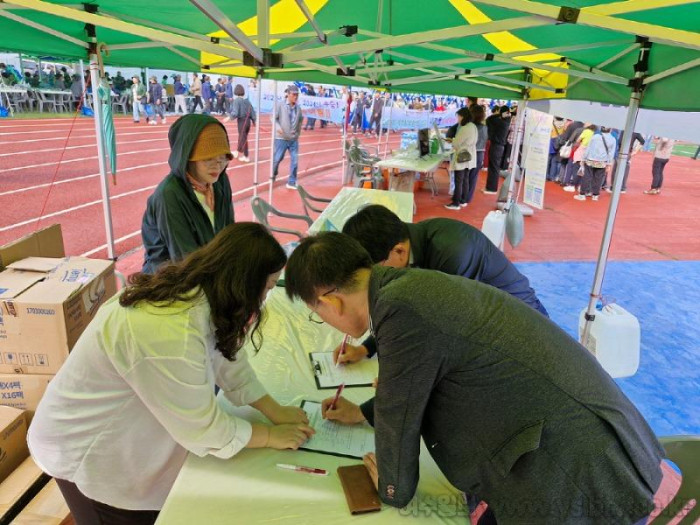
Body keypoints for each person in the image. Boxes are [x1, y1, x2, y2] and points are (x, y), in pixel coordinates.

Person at [284, 231, 668, 525]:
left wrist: (391, 486)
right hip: (578, 448)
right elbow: (420, 378)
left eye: (319, 314)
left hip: (578, 475)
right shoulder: (409, 288)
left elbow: (399, 413)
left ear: (329, 302)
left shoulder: (401, 308)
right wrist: (365, 413)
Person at [28, 222, 314, 525]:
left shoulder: (201, 296)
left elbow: (227, 358)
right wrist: (269, 435)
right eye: (267, 288)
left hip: (121, 434)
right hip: (86, 451)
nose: (265, 299)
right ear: (243, 283)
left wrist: (274, 410)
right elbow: (203, 429)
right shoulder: (168, 330)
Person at [338, 203, 549, 366]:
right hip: (489, 323)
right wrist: (366, 349)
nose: (377, 280)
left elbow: (448, 336)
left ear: (399, 251)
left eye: (376, 271)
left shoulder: (452, 253)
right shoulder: (408, 245)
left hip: (525, 331)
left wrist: (398, 379)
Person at [141, 114, 235, 273]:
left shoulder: (219, 182)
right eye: (208, 159)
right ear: (186, 158)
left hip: (210, 269)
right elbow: (185, 260)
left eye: (223, 158)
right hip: (170, 281)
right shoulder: (169, 196)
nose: (217, 166)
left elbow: (229, 233)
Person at [445, 107, 477, 210]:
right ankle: (463, 200)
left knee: (459, 180)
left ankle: (456, 203)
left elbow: (456, 143)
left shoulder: (465, 128)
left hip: (462, 156)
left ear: (462, 116)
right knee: (465, 179)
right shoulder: (472, 126)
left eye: (458, 116)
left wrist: (452, 141)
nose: (457, 119)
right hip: (469, 156)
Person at [272, 84, 303, 190]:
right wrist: (278, 127)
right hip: (281, 138)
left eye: (297, 95)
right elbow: (273, 118)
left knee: (295, 160)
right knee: (277, 159)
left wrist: (297, 134)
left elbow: (300, 121)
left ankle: (291, 181)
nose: (295, 97)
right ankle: (273, 173)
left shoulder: (298, 108)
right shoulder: (280, 105)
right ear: (288, 94)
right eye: (294, 94)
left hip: (293, 139)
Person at [575, 126, 616, 201]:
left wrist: (583, 158)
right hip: (602, 161)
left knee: (587, 177)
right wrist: (609, 164)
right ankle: (595, 195)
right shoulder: (613, 139)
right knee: (598, 178)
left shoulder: (595, 137)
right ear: (610, 129)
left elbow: (588, 148)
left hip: (591, 159)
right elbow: (611, 153)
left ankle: (582, 194)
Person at [484, 105, 511, 194]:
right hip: (498, 146)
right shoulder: (505, 121)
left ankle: (492, 189)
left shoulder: (501, 122)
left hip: (497, 146)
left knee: (494, 167)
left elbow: (488, 119)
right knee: (493, 167)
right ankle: (489, 188)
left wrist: (498, 114)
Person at [227, 84, 256, 163]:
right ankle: (237, 152)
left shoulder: (236, 101)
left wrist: (229, 118)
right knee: (242, 137)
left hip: (242, 122)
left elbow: (235, 113)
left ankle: (246, 156)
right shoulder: (247, 101)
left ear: (236, 92)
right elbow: (253, 113)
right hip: (248, 122)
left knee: (243, 139)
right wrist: (254, 121)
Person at [467, 104, 488, 204]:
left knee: (465, 175)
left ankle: (462, 197)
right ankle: (468, 197)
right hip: (480, 153)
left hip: (470, 152)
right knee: (473, 176)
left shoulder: (470, 127)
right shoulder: (485, 127)